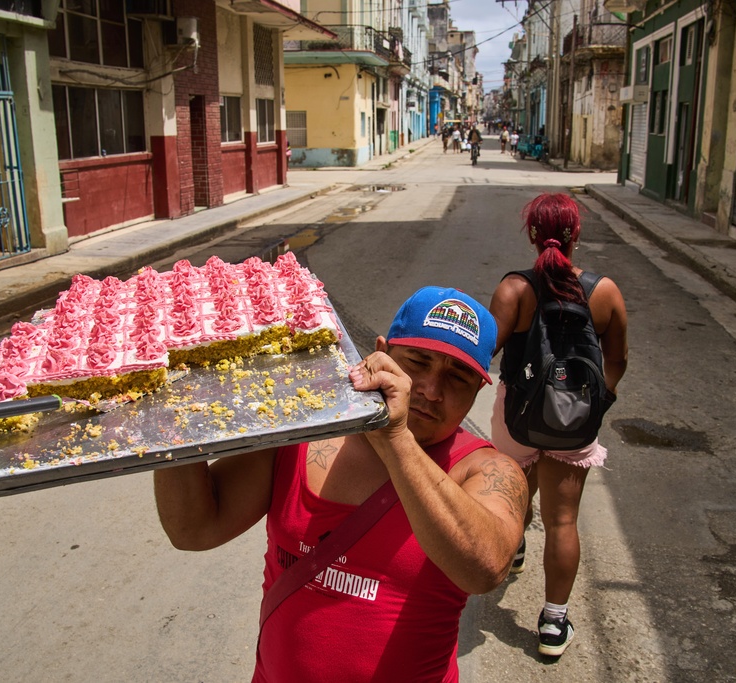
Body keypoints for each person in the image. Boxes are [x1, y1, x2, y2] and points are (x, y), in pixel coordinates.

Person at [155, 287, 529, 682]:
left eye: (458, 378)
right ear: (382, 352)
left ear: (479, 389)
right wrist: (170, 420)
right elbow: (194, 529)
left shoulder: (488, 470)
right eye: (418, 362)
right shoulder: (303, 433)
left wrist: (395, 438)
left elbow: (484, 570)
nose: (431, 390)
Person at [488, 193, 628, 658]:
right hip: (575, 421)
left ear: (532, 234)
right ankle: (553, 624)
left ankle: (516, 549)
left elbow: (483, 353)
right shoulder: (604, 291)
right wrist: (597, 404)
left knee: (514, 492)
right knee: (563, 519)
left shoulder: (514, 289)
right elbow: (618, 359)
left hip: (518, 417)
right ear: (576, 235)